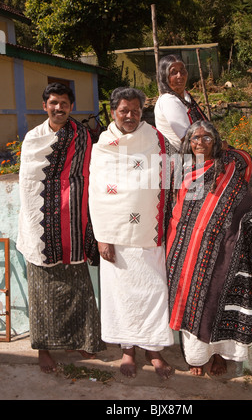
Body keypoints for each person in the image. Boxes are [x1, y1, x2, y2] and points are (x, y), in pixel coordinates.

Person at [166, 120, 252, 376]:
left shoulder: (233, 171)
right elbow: (177, 211)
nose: (200, 143)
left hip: (225, 251)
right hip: (188, 252)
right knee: (192, 304)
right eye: (194, 139)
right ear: (188, 143)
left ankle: (219, 356)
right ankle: (197, 356)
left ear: (216, 141)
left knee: (218, 302)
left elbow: (250, 209)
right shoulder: (183, 172)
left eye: (206, 138)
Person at [17, 83, 105, 373]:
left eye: (64, 103)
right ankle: (43, 348)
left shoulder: (81, 136)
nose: (58, 107)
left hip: (73, 225)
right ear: (45, 106)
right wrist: (36, 225)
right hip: (41, 229)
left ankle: (80, 339)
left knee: (78, 287)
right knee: (42, 290)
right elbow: (29, 186)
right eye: (53, 102)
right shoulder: (33, 139)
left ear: (71, 106)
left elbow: (99, 162)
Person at [89, 87, 174, 379]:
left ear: (142, 111)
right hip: (116, 236)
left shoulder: (154, 139)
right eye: (124, 110)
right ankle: (128, 350)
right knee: (121, 294)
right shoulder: (103, 145)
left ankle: (153, 349)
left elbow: (170, 175)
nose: (130, 116)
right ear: (113, 111)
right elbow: (96, 193)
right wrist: (103, 236)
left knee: (154, 291)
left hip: (149, 231)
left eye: (135, 110)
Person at [154, 54, 208, 150]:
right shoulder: (168, 100)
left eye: (182, 70)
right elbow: (188, 138)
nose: (180, 76)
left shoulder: (186, 98)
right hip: (180, 158)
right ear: (164, 77)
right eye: (173, 72)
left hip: (197, 150)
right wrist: (218, 146)